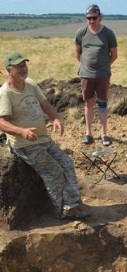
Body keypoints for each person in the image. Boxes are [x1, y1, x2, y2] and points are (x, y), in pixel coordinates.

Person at [0, 51, 89, 220]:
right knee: (54, 172)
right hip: (25, 145)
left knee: (67, 164)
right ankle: (62, 210)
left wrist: (55, 118)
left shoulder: (30, 84)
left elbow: (46, 105)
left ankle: (74, 205)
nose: (23, 69)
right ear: (9, 70)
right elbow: (1, 122)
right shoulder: (5, 93)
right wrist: (22, 131)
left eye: (24, 65)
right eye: (18, 67)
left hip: (43, 140)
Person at [75, 4, 118, 146]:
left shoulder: (108, 33)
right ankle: (88, 133)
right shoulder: (81, 33)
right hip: (86, 75)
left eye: (94, 18)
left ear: (99, 17)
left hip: (103, 75)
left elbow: (114, 54)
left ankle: (104, 133)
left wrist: (104, 66)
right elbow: (78, 53)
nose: (91, 21)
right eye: (88, 18)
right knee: (88, 102)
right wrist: (86, 67)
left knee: (102, 103)